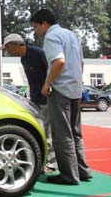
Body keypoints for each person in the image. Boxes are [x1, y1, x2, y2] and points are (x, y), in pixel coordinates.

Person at [30, 9, 92, 185]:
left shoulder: (51, 37)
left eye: (35, 26)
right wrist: (77, 83)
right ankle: (82, 170)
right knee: (75, 132)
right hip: (75, 88)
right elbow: (80, 62)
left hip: (60, 89)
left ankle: (69, 175)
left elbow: (59, 61)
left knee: (61, 134)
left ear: (44, 23)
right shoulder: (70, 34)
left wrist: (47, 83)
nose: (36, 31)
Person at [0, 33, 56, 173]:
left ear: (15, 45)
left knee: (48, 133)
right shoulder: (23, 59)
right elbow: (32, 81)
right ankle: (43, 161)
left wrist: (48, 87)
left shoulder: (38, 53)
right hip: (35, 100)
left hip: (47, 99)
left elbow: (51, 71)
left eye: (7, 48)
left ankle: (52, 164)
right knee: (40, 132)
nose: (8, 51)